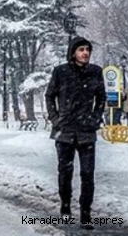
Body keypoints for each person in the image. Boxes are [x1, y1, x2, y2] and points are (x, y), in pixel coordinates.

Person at [45, 36, 106, 230]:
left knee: (88, 173)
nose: (85, 53)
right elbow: (50, 96)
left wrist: (95, 118)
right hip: (65, 131)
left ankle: (86, 213)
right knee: (65, 172)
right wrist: (55, 119)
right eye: (81, 50)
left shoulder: (95, 72)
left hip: (87, 131)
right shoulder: (61, 72)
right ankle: (65, 208)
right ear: (73, 52)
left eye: (87, 49)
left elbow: (101, 98)